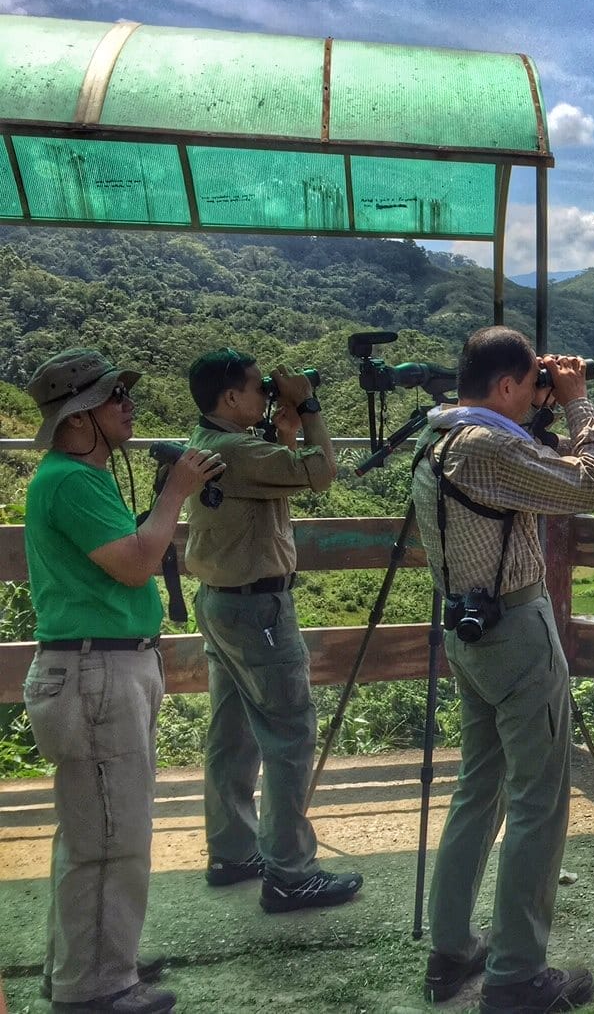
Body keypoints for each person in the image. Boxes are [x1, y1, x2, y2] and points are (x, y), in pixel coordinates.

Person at [411, 326, 594, 1014]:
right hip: (517, 630)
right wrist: (579, 403)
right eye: (528, 385)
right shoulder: (490, 448)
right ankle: (518, 974)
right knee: (537, 802)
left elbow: (525, 461)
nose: (536, 394)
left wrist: (539, 409)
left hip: (466, 630)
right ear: (504, 387)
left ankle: (451, 947)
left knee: (479, 787)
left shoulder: (439, 439)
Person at [22, 348, 223, 1014]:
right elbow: (137, 565)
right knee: (112, 837)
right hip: (96, 673)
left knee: (91, 832)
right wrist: (175, 493)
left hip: (97, 669)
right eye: (116, 398)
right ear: (80, 417)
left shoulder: (79, 476)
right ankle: (98, 987)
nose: (129, 406)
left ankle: (82, 964)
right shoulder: (71, 483)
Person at [182, 349, 363, 913]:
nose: (266, 394)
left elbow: (268, 491)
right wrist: (308, 409)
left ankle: (233, 851)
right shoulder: (237, 450)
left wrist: (283, 435)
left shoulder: (213, 442)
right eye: (259, 387)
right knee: (289, 735)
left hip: (221, 603)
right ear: (230, 397)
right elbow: (322, 473)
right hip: (257, 611)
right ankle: (290, 872)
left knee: (232, 731)